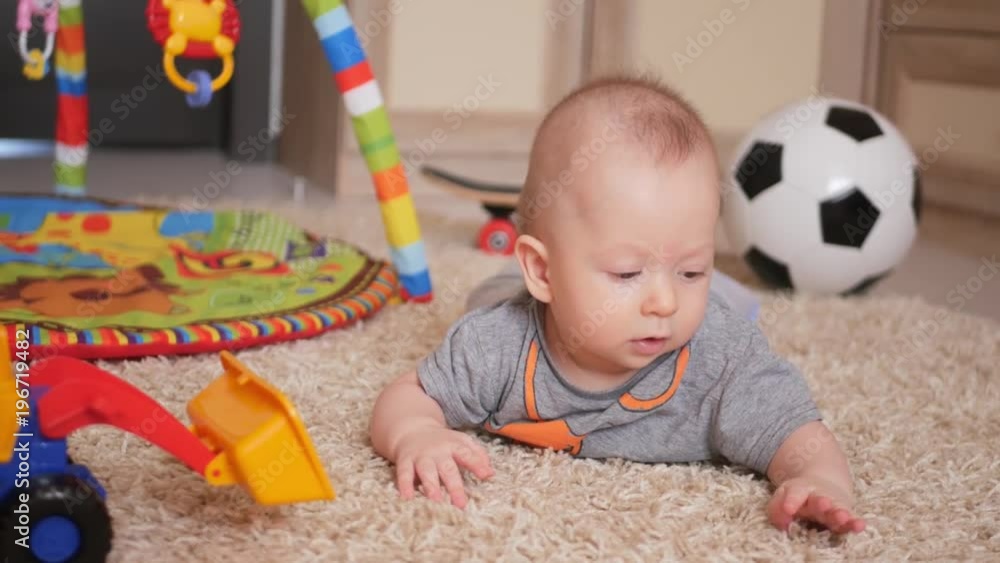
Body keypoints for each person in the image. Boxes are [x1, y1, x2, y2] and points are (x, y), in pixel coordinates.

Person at [370, 75, 866, 534]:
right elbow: (410, 395)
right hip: (517, 296)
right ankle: (526, 277)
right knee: (490, 296)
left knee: (726, 305)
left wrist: (821, 480)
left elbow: (797, 432)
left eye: (692, 271)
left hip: (705, 313)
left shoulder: (721, 360)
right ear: (542, 271)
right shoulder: (496, 345)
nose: (665, 301)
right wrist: (416, 434)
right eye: (627, 274)